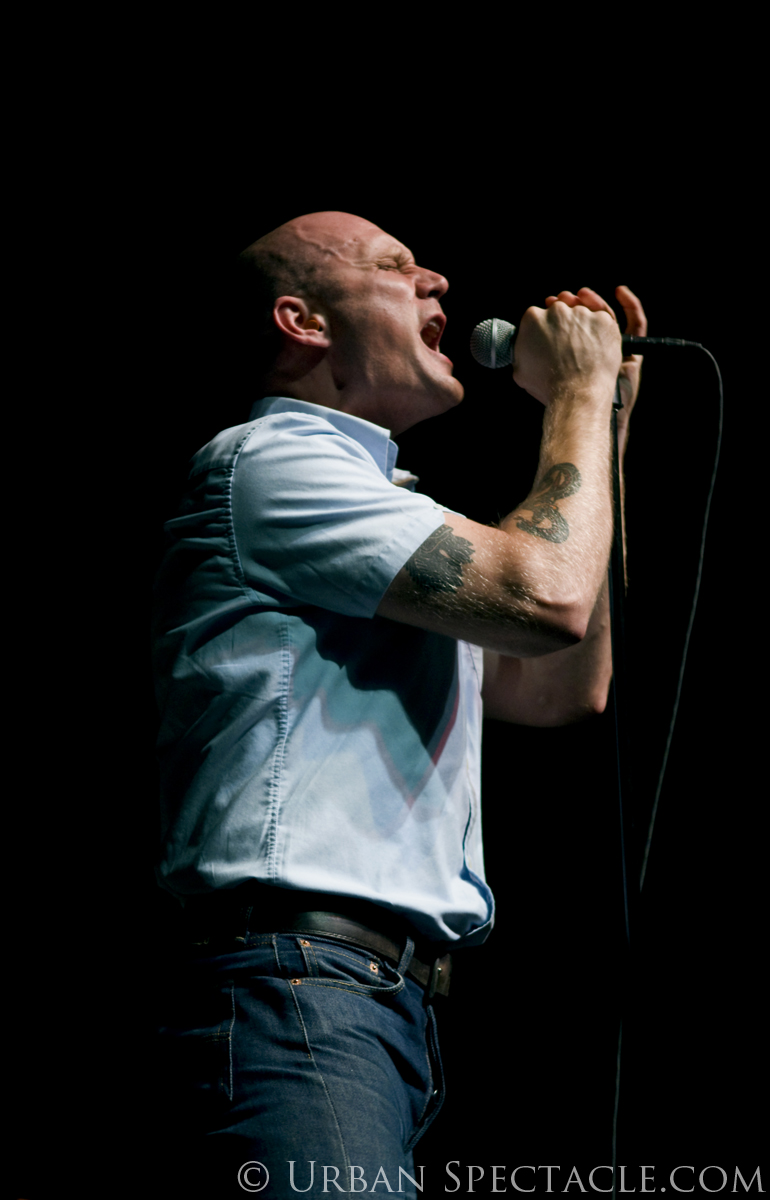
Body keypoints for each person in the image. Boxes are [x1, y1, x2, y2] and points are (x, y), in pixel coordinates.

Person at [151, 211, 646, 1197]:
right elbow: (545, 596)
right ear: (302, 320)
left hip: (368, 1003)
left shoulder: (387, 516)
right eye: (395, 266)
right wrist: (576, 397)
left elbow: (558, 687)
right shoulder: (273, 463)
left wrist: (607, 425)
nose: (437, 283)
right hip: (298, 982)